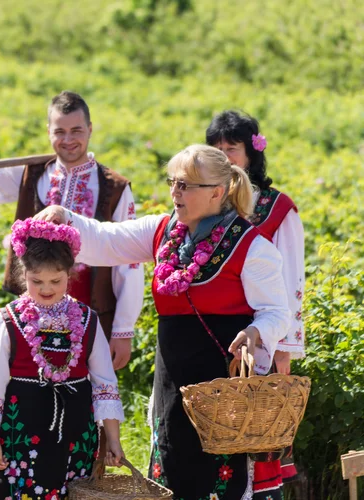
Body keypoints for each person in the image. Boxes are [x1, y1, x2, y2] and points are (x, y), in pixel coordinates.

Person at [34, 144, 291, 500]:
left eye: (186, 185)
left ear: (217, 192)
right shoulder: (163, 231)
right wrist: (66, 218)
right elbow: (108, 240)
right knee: (171, 469)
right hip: (172, 383)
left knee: (219, 481)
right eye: (173, 182)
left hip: (222, 387)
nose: (175, 192)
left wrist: (255, 331)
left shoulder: (252, 247)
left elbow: (278, 312)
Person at [0, 91, 144, 370]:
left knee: (88, 391)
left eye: (76, 130)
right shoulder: (33, 173)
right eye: (59, 131)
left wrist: (123, 330)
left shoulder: (115, 188)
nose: (68, 139)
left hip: (93, 309)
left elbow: (130, 260)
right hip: (34, 305)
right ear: (48, 132)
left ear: (90, 129)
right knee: (28, 383)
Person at [0, 218, 124, 500]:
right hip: (22, 429)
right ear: (23, 274)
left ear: (70, 275)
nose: (46, 289)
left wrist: (113, 439)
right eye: (36, 281)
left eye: (55, 281)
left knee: (73, 491)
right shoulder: (8, 321)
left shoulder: (87, 319)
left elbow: (105, 383)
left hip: (76, 431)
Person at [206, 110, 306, 498]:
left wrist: (284, 349)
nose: (225, 159)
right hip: (210, 336)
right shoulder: (206, 203)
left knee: (250, 430)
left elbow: (292, 282)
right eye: (216, 151)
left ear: (252, 154)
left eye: (232, 150)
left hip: (258, 341)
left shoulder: (277, 210)